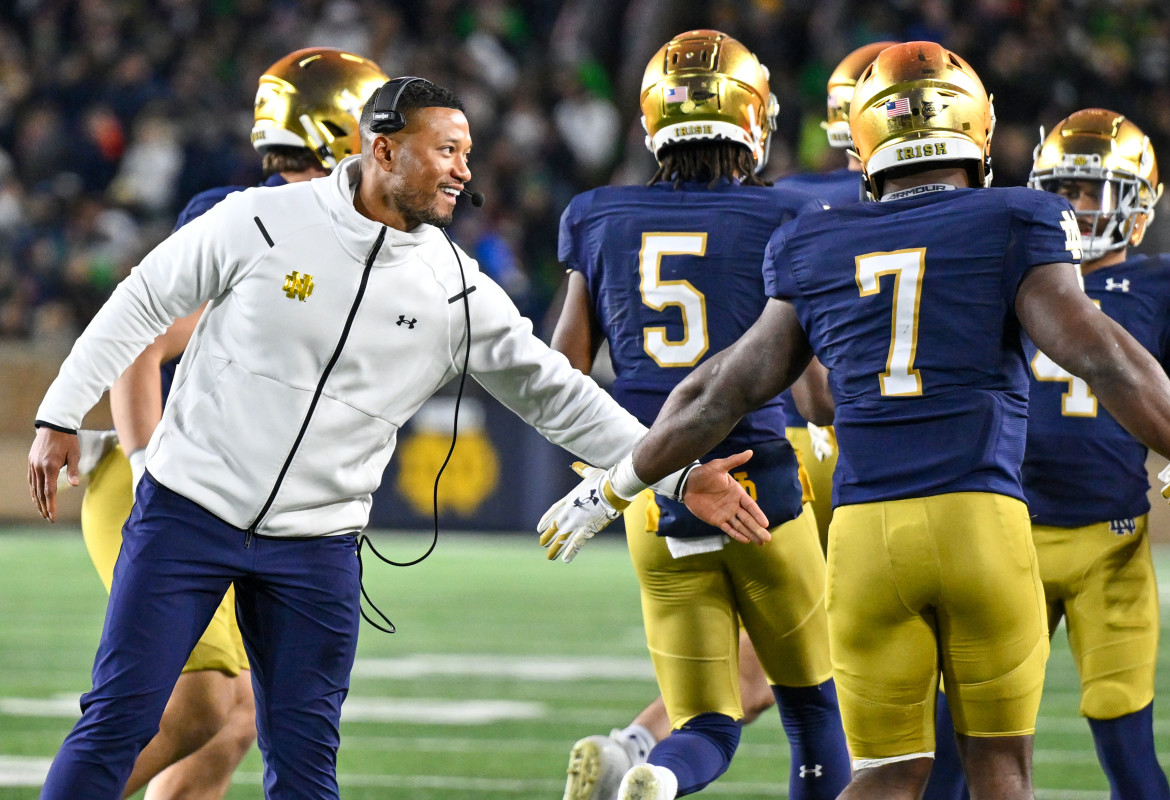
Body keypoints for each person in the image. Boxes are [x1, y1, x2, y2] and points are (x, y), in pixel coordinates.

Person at [28, 77, 767, 800]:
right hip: (188, 511)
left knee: (307, 768)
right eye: (446, 149)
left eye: (467, 152)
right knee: (117, 723)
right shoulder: (262, 219)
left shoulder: (452, 285)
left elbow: (557, 393)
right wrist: (61, 411)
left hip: (317, 546)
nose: (464, 170)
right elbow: (141, 299)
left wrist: (678, 473)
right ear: (383, 151)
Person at [537, 41, 1170, 800]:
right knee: (998, 769)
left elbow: (722, 389)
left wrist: (616, 484)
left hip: (864, 540)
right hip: (980, 521)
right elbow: (1105, 359)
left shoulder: (815, 236)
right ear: (976, 130)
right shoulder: (1017, 217)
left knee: (889, 772)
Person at [67, 47, 389, 800]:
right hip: (168, 483)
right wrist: (150, 473)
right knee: (204, 703)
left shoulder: (352, 233)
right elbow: (144, 344)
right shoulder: (247, 219)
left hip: (244, 499)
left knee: (239, 715)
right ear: (346, 131)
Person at [550, 29, 849, 800]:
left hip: (654, 487)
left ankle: (657, 775)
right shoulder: (793, 214)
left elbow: (563, 373)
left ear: (653, 122)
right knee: (813, 709)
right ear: (754, 121)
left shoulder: (596, 213)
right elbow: (814, 395)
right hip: (764, 482)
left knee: (707, 723)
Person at [1019, 108, 1170, 799]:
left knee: (1126, 744)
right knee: (962, 738)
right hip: (1006, 538)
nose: (1075, 208)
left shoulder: (1167, 285)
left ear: (1138, 202)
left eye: (1091, 192)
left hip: (1110, 544)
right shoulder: (1010, 273)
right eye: (1061, 191)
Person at [775, 41, 895, 550]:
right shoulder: (944, 203)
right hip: (892, 428)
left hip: (792, 429)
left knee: (791, 621)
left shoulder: (782, 194)